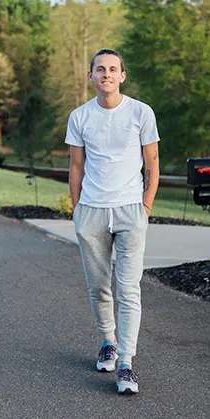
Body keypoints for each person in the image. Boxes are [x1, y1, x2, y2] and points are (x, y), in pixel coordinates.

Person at [65, 48, 160, 394]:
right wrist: (77, 209)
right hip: (91, 211)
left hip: (130, 211)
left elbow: (152, 165)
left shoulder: (140, 112)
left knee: (129, 288)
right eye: (99, 69)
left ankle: (126, 363)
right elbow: (76, 167)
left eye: (112, 69)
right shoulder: (79, 117)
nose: (106, 74)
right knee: (99, 286)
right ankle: (108, 341)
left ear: (122, 75)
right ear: (90, 76)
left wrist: (144, 209)